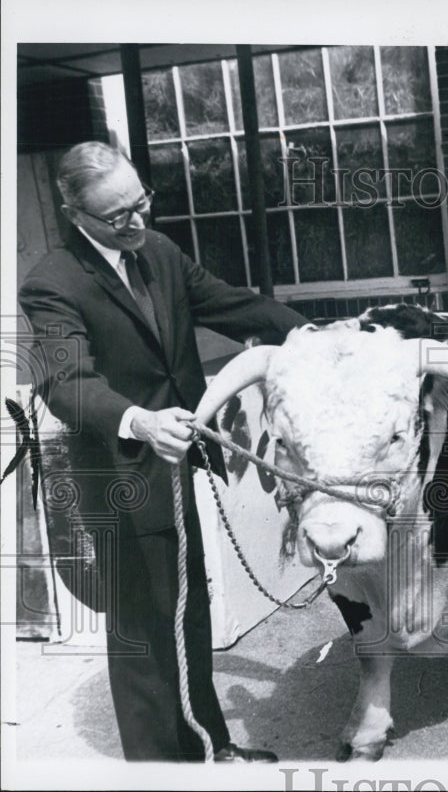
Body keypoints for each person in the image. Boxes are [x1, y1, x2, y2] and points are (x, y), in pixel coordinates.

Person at [18, 141, 309, 762]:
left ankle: (209, 747)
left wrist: (314, 334)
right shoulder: (51, 282)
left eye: (140, 202)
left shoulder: (159, 252)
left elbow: (231, 304)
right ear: (76, 216)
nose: (136, 221)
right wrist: (138, 421)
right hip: (122, 473)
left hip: (175, 465)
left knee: (186, 611)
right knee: (144, 630)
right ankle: (158, 767)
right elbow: (64, 381)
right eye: (117, 215)